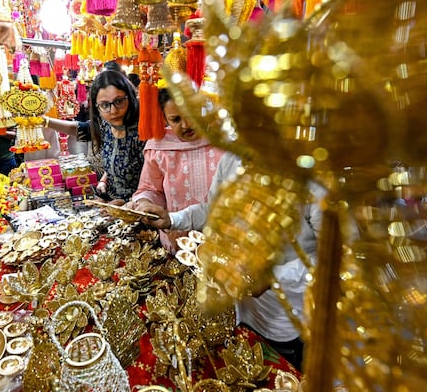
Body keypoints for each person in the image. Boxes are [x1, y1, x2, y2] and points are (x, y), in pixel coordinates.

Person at [136, 152, 325, 371]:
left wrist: (274, 278)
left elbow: (334, 260)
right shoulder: (232, 159)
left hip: (286, 318)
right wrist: (173, 219)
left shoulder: (315, 179)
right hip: (239, 308)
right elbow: (213, 210)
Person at [127, 87, 224, 250]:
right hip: (178, 242)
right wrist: (144, 203)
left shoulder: (224, 143)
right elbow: (151, 189)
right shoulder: (159, 148)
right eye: (176, 119)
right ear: (164, 118)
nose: (186, 125)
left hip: (225, 245)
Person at [44, 70, 145, 203]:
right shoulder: (105, 125)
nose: (113, 111)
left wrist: (129, 204)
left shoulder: (144, 132)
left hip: (139, 209)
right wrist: (104, 181)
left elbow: (153, 184)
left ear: (130, 98)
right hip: (110, 204)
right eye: (104, 105)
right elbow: (80, 128)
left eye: (119, 101)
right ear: (97, 107)